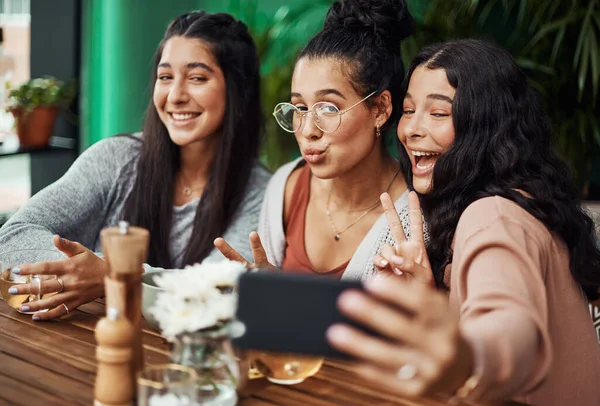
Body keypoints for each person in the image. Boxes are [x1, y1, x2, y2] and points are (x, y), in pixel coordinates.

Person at [326, 39, 600, 405]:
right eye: (408, 111)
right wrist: (431, 297)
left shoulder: (493, 215)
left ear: (486, 126)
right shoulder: (519, 203)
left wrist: (469, 353)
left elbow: (508, 328)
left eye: (438, 114)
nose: (411, 130)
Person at [0, 11, 271, 321]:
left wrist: (115, 274)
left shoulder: (261, 193)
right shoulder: (116, 158)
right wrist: (105, 272)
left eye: (197, 78)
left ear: (239, 89)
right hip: (81, 345)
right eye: (165, 77)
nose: (175, 95)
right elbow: (11, 238)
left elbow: (214, 292)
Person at [215, 0, 420, 281]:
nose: (308, 129)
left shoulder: (414, 219)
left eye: (328, 108)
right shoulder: (285, 187)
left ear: (381, 109)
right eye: (299, 108)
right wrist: (265, 292)